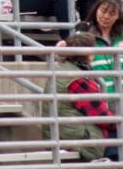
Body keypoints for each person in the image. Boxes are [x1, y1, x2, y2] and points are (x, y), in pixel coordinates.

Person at [41, 32, 117, 163]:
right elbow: (102, 117)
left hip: (63, 134)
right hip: (77, 138)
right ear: (88, 54)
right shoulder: (78, 80)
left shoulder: (61, 70)